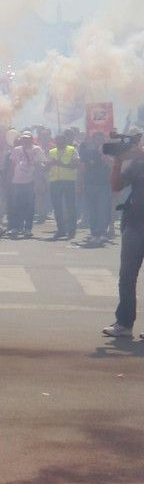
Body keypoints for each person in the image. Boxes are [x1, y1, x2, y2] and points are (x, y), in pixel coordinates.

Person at [104, 140, 144, 341]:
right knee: (127, 276)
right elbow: (116, 185)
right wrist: (117, 162)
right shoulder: (138, 165)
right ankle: (124, 323)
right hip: (136, 224)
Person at [2, 131, 46, 238]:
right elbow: (12, 165)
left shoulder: (37, 149)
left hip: (30, 181)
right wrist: (9, 180)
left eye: (27, 138)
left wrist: (39, 180)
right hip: (17, 181)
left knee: (29, 206)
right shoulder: (17, 150)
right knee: (17, 206)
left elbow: (42, 165)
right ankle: (16, 227)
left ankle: (28, 228)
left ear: (31, 139)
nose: (25, 140)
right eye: (24, 139)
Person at [47, 130, 80, 241]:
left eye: (62, 140)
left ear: (65, 141)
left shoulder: (72, 150)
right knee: (57, 208)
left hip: (68, 181)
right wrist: (47, 165)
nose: (59, 142)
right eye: (57, 140)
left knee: (70, 207)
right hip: (55, 182)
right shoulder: (51, 152)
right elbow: (47, 167)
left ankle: (71, 230)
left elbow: (75, 164)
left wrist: (59, 163)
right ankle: (61, 230)